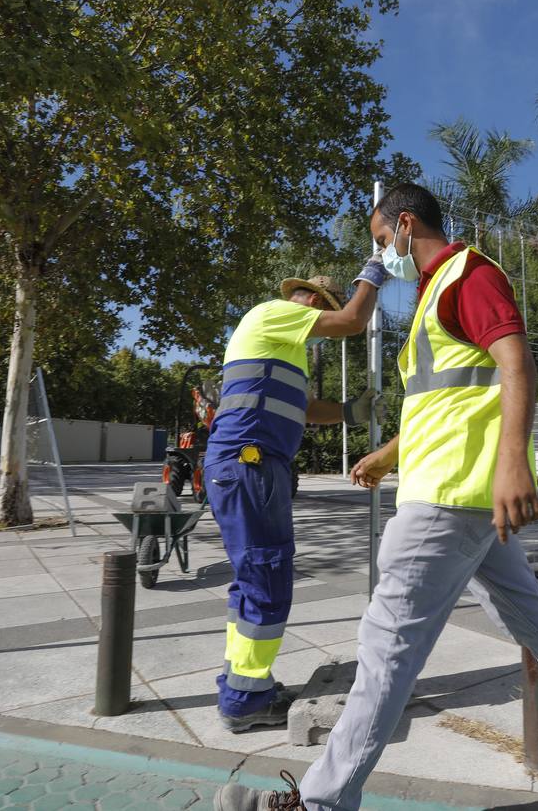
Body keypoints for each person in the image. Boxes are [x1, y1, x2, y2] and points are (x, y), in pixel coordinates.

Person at [215, 184, 538, 811]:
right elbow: (449, 401)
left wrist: (514, 463)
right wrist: (387, 453)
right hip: (459, 491)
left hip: (450, 498)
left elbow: (516, 363)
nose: (384, 253)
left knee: (385, 650)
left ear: (404, 225)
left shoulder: (466, 274)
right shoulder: (435, 293)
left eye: (381, 242)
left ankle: (318, 804)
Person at [205, 261, 388, 734]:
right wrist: (374, 272)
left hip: (250, 465)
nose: (321, 333)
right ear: (309, 301)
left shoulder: (286, 348)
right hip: (250, 463)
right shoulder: (273, 314)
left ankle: (243, 681)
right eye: (321, 316)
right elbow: (353, 321)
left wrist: (350, 411)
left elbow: (304, 410)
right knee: (267, 577)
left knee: (251, 579)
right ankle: (245, 699)